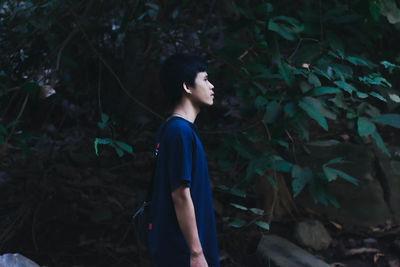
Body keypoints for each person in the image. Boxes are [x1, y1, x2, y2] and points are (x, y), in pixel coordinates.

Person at [147, 53, 219, 267]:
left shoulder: (172, 128)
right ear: (187, 87)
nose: (212, 86)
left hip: (178, 250)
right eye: (205, 79)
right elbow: (180, 194)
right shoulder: (179, 132)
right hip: (183, 254)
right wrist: (196, 253)